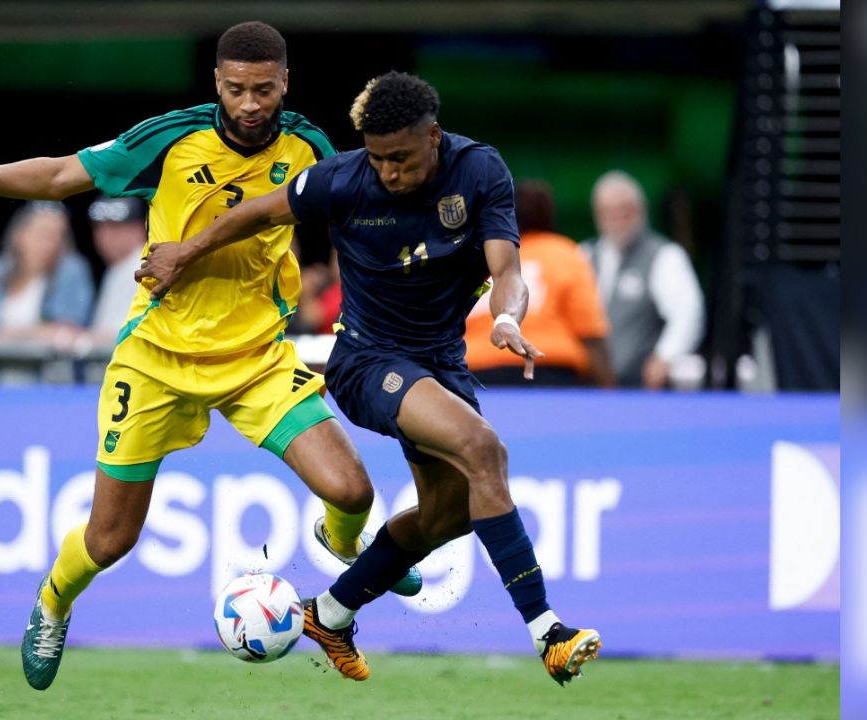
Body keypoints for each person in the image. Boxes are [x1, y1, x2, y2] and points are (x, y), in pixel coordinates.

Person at [0, 21, 420, 691]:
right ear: (217, 86)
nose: (251, 104)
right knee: (109, 541)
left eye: (263, 89)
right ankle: (53, 601)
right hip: (157, 360)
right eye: (236, 90)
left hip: (255, 356)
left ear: (284, 82)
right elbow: (59, 175)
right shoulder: (170, 138)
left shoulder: (309, 145)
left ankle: (345, 543)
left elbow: (354, 221)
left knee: (351, 489)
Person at [138, 71, 601, 685]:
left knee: (448, 516)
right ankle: (548, 633)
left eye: (403, 159)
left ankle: (329, 613)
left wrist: (508, 315)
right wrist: (184, 252)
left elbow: (507, 269)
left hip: (440, 363)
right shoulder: (341, 179)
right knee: (483, 449)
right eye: (379, 158)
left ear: (434, 137)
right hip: (367, 361)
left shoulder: (480, 171)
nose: (389, 172)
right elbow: (253, 213)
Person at [465, 180, 614, 387]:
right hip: (550, 374)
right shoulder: (563, 253)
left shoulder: (479, 257)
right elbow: (591, 334)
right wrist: (610, 394)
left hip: (477, 377)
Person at [582, 170, 704, 389]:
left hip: (638, 386)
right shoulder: (583, 255)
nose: (616, 219)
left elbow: (687, 314)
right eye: (608, 212)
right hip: (587, 385)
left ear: (641, 210)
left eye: (624, 211)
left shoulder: (665, 255)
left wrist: (665, 357)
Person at [0, 201, 95, 384]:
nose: (52, 243)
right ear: (20, 235)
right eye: (44, 234)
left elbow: (66, 332)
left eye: (60, 236)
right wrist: (24, 335)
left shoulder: (71, 271)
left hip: (48, 386)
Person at [84, 196, 146, 344]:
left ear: (139, 229)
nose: (105, 236)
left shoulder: (141, 265)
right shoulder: (119, 267)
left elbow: (126, 332)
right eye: (99, 227)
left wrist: (79, 338)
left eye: (115, 227)